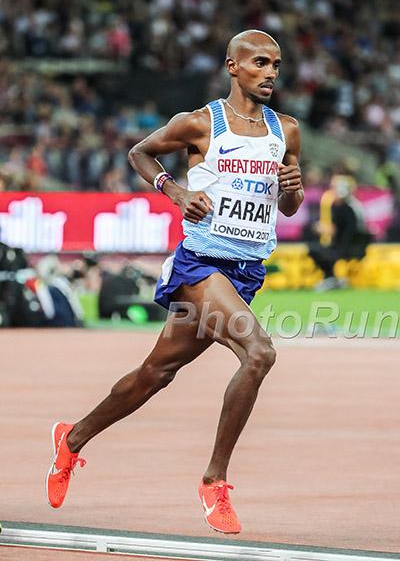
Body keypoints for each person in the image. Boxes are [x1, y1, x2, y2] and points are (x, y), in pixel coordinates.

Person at [46, 30, 304, 534]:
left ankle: (70, 440)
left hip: (246, 273)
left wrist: (291, 189)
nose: (270, 72)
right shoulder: (201, 123)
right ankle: (214, 481)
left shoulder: (286, 131)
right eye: (259, 62)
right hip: (201, 264)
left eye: (276, 64)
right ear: (233, 66)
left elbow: (288, 206)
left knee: (156, 372)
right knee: (259, 353)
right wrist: (176, 192)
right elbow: (140, 153)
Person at [308, 174, 371, 290]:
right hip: (350, 245)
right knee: (318, 249)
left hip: (347, 247)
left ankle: (331, 278)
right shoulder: (353, 205)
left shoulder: (346, 208)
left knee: (315, 250)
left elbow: (344, 231)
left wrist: (327, 229)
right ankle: (332, 278)